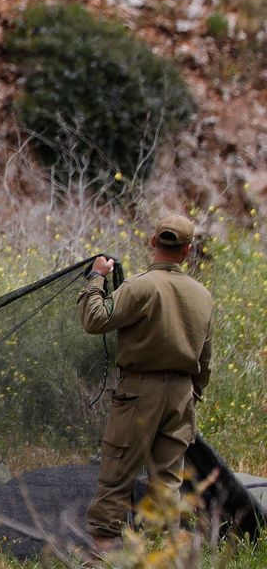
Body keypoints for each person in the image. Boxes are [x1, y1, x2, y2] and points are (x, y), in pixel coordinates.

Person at [77, 213, 213, 550]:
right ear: (188, 250)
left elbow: (95, 320)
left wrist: (96, 278)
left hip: (139, 391)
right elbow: (205, 359)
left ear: (153, 242)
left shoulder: (140, 286)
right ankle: (159, 555)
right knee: (168, 479)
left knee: (118, 469)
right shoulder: (202, 296)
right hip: (182, 393)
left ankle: (103, 549)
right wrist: (191, 395)